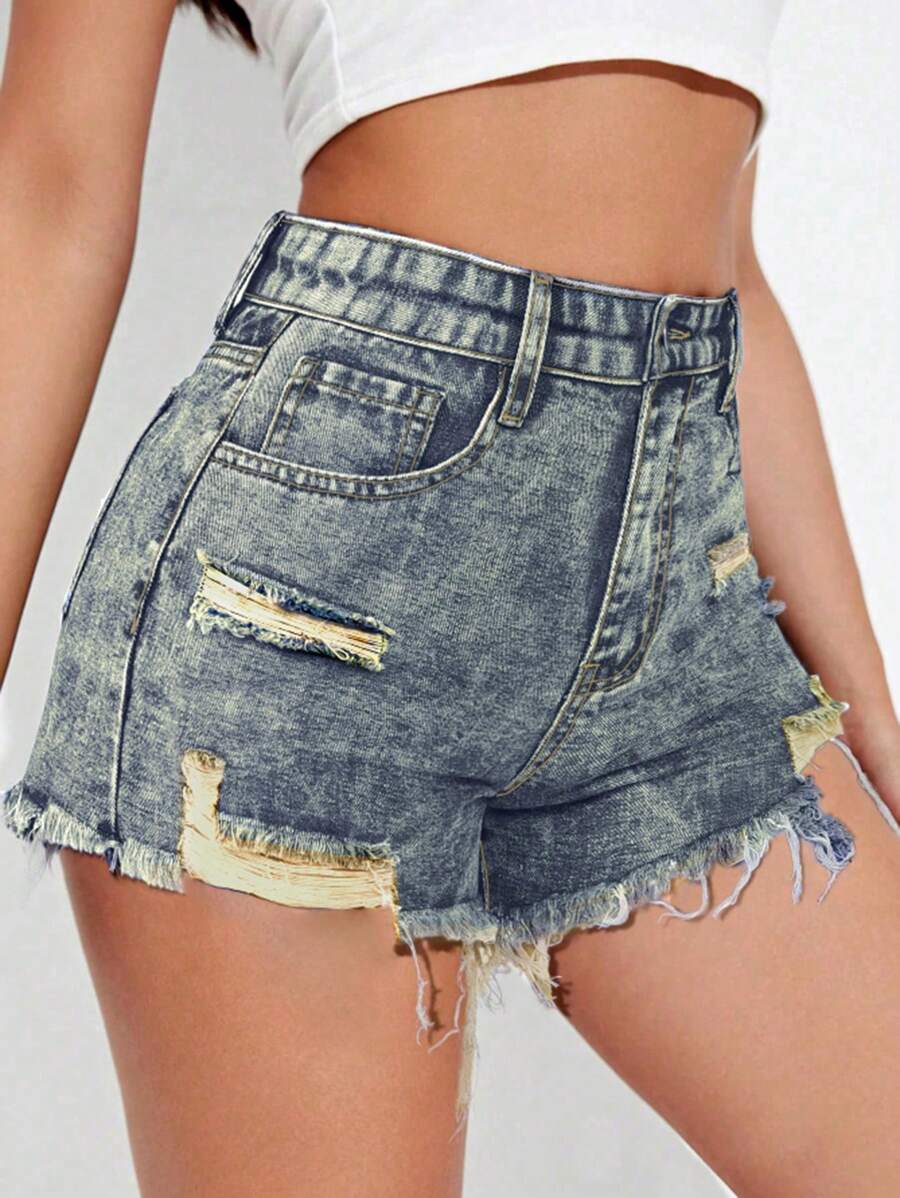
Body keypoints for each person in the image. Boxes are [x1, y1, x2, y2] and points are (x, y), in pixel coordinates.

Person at [2, 2, 899, 1195]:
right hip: (309, 613)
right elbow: (49, 192)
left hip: (679, 582)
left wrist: (875, 728)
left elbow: (723, 253)